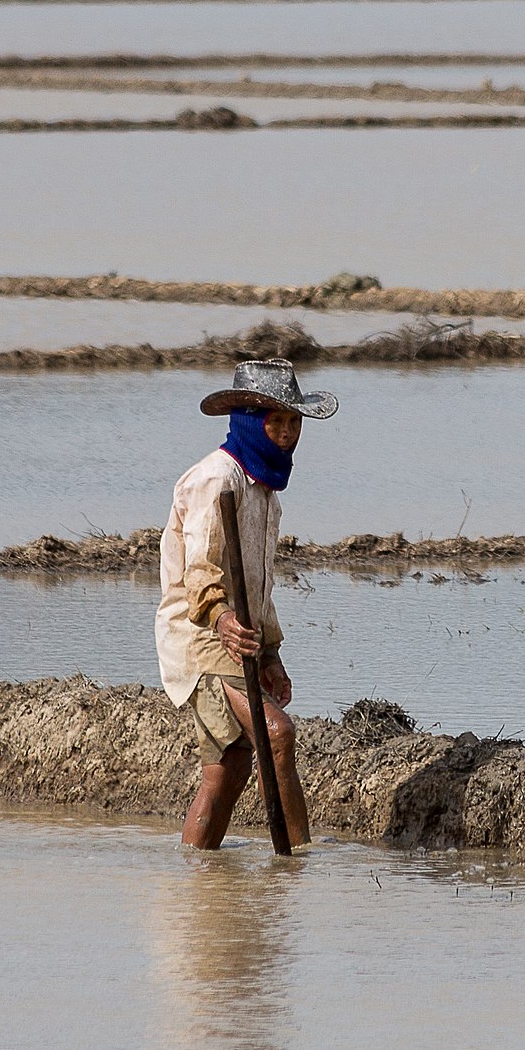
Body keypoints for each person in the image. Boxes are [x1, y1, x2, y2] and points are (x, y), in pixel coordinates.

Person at [159, 357, 333, 850]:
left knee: (228, 770)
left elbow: (257, 583)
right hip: (202, 636)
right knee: (277, 734)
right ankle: (298, 861)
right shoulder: (217, 479)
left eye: (293, 422)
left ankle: (198, 876)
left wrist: (271, 653)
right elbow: (201, 572)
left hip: (241, 636)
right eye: (274, 421)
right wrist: (221, 618)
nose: (285, 432)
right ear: (246, 422)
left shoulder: (263, 489)